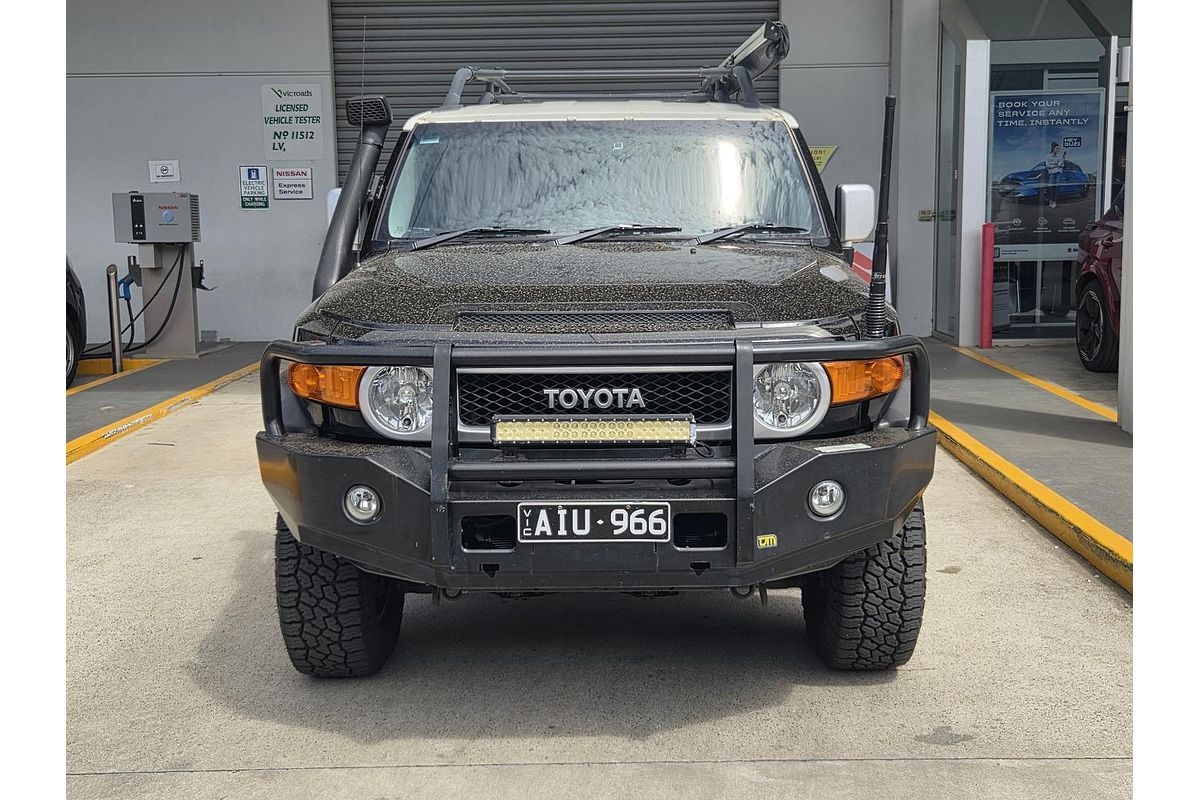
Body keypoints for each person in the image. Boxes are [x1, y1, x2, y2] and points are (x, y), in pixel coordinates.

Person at [1044, 142, 1065, 208]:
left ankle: (1054, 201)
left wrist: (1057, 164)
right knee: (1050, 187)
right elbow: (1047, 165)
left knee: (1057, 187)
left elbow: (1061, 165)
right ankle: (1050, 199)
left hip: (1059, 173)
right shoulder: (1048, 156)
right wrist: (1056, 165)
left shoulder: (1059, 156)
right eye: (1057, 148)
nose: (1058, 150)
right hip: (1051, 173)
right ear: (1053, 148)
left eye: (1059, 149)